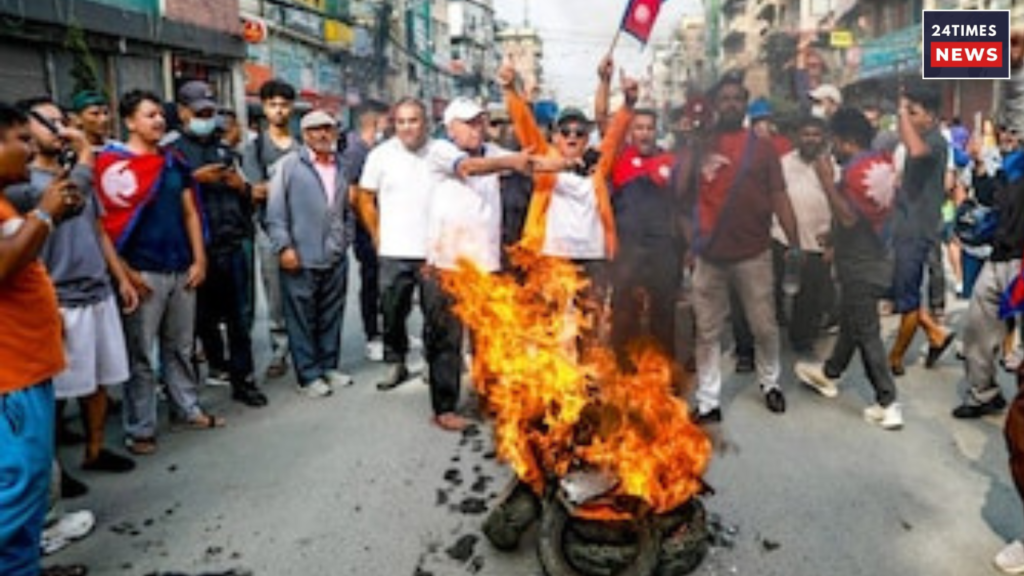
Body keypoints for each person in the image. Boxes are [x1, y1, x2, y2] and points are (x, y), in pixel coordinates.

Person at [7, 96, 139, 484]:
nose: (58, 130)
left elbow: (97, 228)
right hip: (59, 296)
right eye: (48, 123)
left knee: (98, 379)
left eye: (60, 121)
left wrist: (120, 277)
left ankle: (95, 449)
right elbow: (69, 198)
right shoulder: (21, 185)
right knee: (55, 391)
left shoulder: (72, 174)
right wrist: (84, 153)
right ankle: (52, 472)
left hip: (96, 288)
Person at [96, 89, 223, 456]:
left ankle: (186, 408)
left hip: (181, 267)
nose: (158, 121)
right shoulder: (110, 165)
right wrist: (123, 272)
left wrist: (199, 259)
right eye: (149, 115)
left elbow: (190, 213)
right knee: (141, 356)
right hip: (141, 272)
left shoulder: (174, 163)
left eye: (159, 115)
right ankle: (140, 427)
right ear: (130, 121)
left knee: (180, 346)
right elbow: (103, 225)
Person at [677, 75, 800, 422]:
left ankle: (770, 383)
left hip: (754, 253)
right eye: (724, 99)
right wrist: (691, 243)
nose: (730, 104)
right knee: (708, 331)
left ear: (744, 104)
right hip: (709, 256)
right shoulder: (700, 146)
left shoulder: (762, 149)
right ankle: (708, 401)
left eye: (736, 99)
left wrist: (793, 243)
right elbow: (681, 198)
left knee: (764, 325)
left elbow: (779, 196)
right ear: (716, 105)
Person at [0, 101, 88, 576]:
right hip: (8, 379)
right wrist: (46, 217)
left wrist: (51, 214)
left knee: (30, 487)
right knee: (14, 490)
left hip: (27, 370)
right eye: (21, 141)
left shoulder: (7, 201)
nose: (30, 152)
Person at [422, 97, 540, 430]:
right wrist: (514, 162)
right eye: (469, 123)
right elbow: (469, 168)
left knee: (488, 339)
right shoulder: (440, 151)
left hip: (487, 266)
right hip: (448, 266)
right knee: (446, 339)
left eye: (480, 122)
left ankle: (489, 398)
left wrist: (567, 162)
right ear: (451, 127)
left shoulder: (493, 151)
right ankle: (444, 409)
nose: (477, 129)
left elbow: (532, 163)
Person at [499, 58, 630, 355]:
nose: (572, 137)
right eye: (566, 131)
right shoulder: (547, 159)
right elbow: (524, 125)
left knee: (590, 327)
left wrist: (622, 98)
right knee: (550, 325)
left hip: (592, 258)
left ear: (586, 138)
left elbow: (615, 132)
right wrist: (510, 89)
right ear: (555, 136)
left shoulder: (598, 162)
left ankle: (585, 387)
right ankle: (553, 389)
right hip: (553, 257)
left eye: (579, 132)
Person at [794, 108, 902, 430]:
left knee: (866, 331)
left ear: (847, 140)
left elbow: (849, 218)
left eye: (834, 142)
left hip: (861, 266)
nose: (832, 150)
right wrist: (835, 239)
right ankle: (829, 374)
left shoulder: (854, 173)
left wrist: (828, 183)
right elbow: (864, 219)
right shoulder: (880, 163)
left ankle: (888, 401)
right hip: (880, 256)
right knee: (852, 323)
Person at [166, 81, 267, 408]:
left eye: (211, 111)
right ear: (183, 112)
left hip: (232, 244)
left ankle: (243, 380)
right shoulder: (172, 152)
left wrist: (241, 187)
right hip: (194, 252)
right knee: (195, 324)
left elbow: (249, 197)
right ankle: (189, 393)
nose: (207, 117)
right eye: (200, 112)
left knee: (239, 320)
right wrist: (195, 179)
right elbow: (161, 199)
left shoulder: (225, 149)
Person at [354, 98, 447, 390]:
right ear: (394, 124)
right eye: (401, 121)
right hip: (394, 251)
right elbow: (364, 197)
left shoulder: (442, 152)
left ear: (426, 123)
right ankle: (396, 362)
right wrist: (377, 234)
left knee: (436, 313)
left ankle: (433, 362)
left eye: (414, 120)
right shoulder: (380, 156)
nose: (407, 127)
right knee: (392, 312)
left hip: (435, 253)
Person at [267, 110, 354, 397]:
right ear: (304, 135)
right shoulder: (289, 166)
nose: (322, 135)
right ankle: (308, 374)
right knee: (301, 318)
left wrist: (345, 240)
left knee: (331, 313)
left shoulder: (342, 165)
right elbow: (275, 212)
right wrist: (284, 246)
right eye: (315, 130)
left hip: (334, 255)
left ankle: (329, 365)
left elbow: (347, 209)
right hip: (300, 255)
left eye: (327, 129)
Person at [605, 99, 680, 368]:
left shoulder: (670, 160)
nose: (645, 133)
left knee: (663, 312)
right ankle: (622, 369)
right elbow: (604, 121)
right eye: (639, 128)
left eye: (650, 127)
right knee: (625, 312)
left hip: (662, 248)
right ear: (630, 132)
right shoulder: (619, 159)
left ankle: (663, 371)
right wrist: (612, 87)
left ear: (656, 131)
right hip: (628, 248)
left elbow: (685, 203)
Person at [887, 83, 955, 376]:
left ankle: (895, 358)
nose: (908, 119)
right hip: (906, 227)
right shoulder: (927, 138)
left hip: (917, 231)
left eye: (914, 112)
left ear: (930, 115)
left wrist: (902, 109)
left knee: (909, 299)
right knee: (902, 291)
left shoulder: (935, 142)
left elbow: (915, 150)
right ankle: (935, 333)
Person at [242, 79, 299, 379]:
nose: (279, 111)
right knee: (275, 293)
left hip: (302, 229)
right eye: (273, 105)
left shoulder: (302, 146)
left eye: (284, 105)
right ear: (264, 108)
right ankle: (280, 350)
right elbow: (256, 190)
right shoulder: (255, 147)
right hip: (268, 230)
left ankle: (304, 348)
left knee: (303, 291)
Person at [770, 115, 834, 355]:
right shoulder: (783, 164)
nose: (810, 139)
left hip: (818, 240)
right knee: (777, 290)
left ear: (823, 138)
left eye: (816, 135)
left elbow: (838, 204)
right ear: (797, 137)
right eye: (806, 134)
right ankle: (774, 336)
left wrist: (834, 241)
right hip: (782, 238)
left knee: (810, 296)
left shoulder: (831, 166)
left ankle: (802, 340)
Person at [343, 104, 387, 362]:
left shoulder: (376, 150)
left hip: (384, 225)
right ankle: (373, 335)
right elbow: (353, 194)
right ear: (375, 122)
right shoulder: (356, 151)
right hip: (366, 229)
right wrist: (371, 229)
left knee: (386, 283)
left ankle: (387, 329)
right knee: (371, 282)